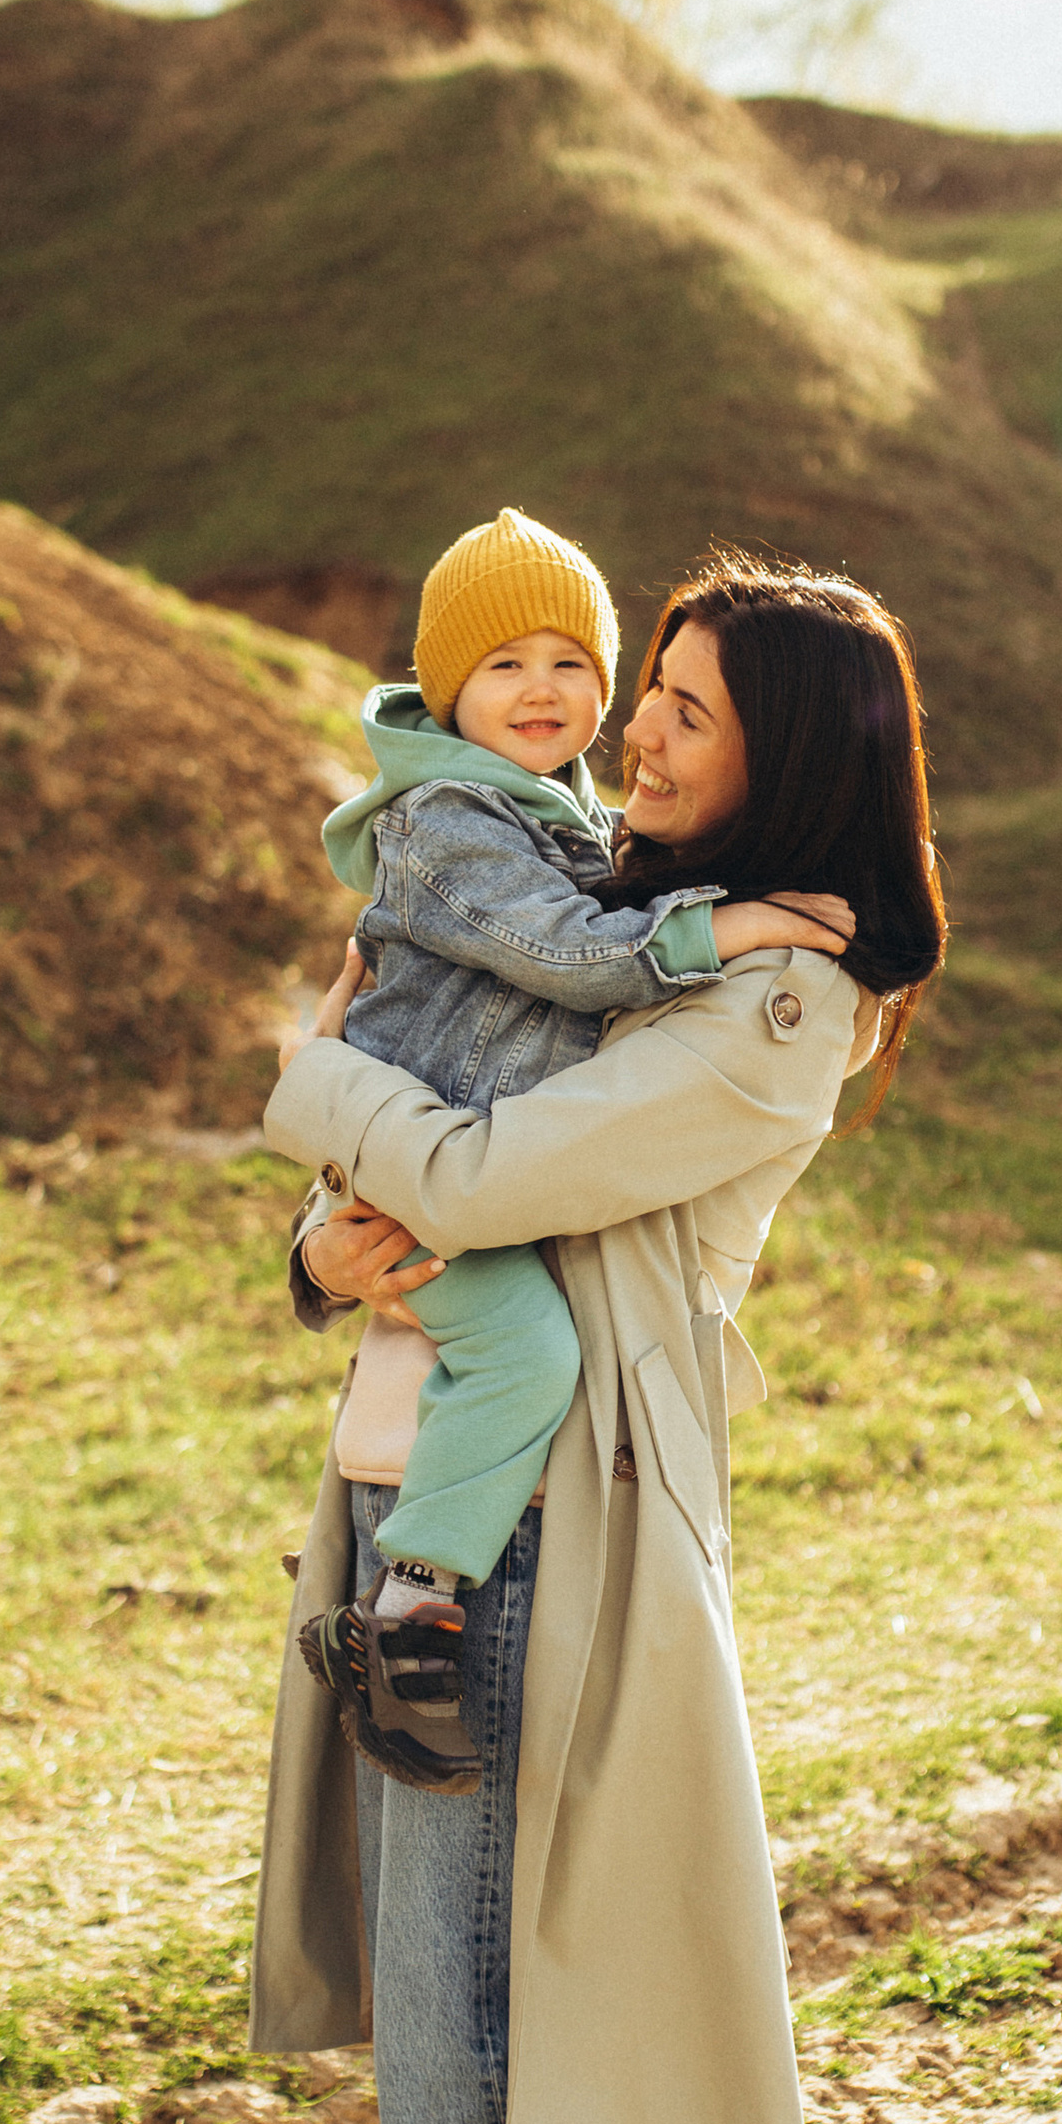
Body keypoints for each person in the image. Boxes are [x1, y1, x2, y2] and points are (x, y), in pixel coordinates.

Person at [255, 548, 947, 2124]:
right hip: (423, 1482)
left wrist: (308, 1076)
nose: (633, 731)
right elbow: (414, 1202)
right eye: (642, 685)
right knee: (485, 2023)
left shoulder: (767, 1007)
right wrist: (311, 1248)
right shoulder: (611, 931)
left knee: (473, 2061)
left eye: (688, 713)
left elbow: (464, 1177)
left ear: (787, 770)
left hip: (537, 1528)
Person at [299, 504, 853, 1777]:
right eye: (503, 665)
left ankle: (405, 1599)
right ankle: (410, 1612)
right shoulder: (446, 817)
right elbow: (559, 957)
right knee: (525, 1352)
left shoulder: (565, 819)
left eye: (573, 663)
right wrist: (731, 927)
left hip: (427, 1164)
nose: (543, 689)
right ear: (446, 689)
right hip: (431, 1168)